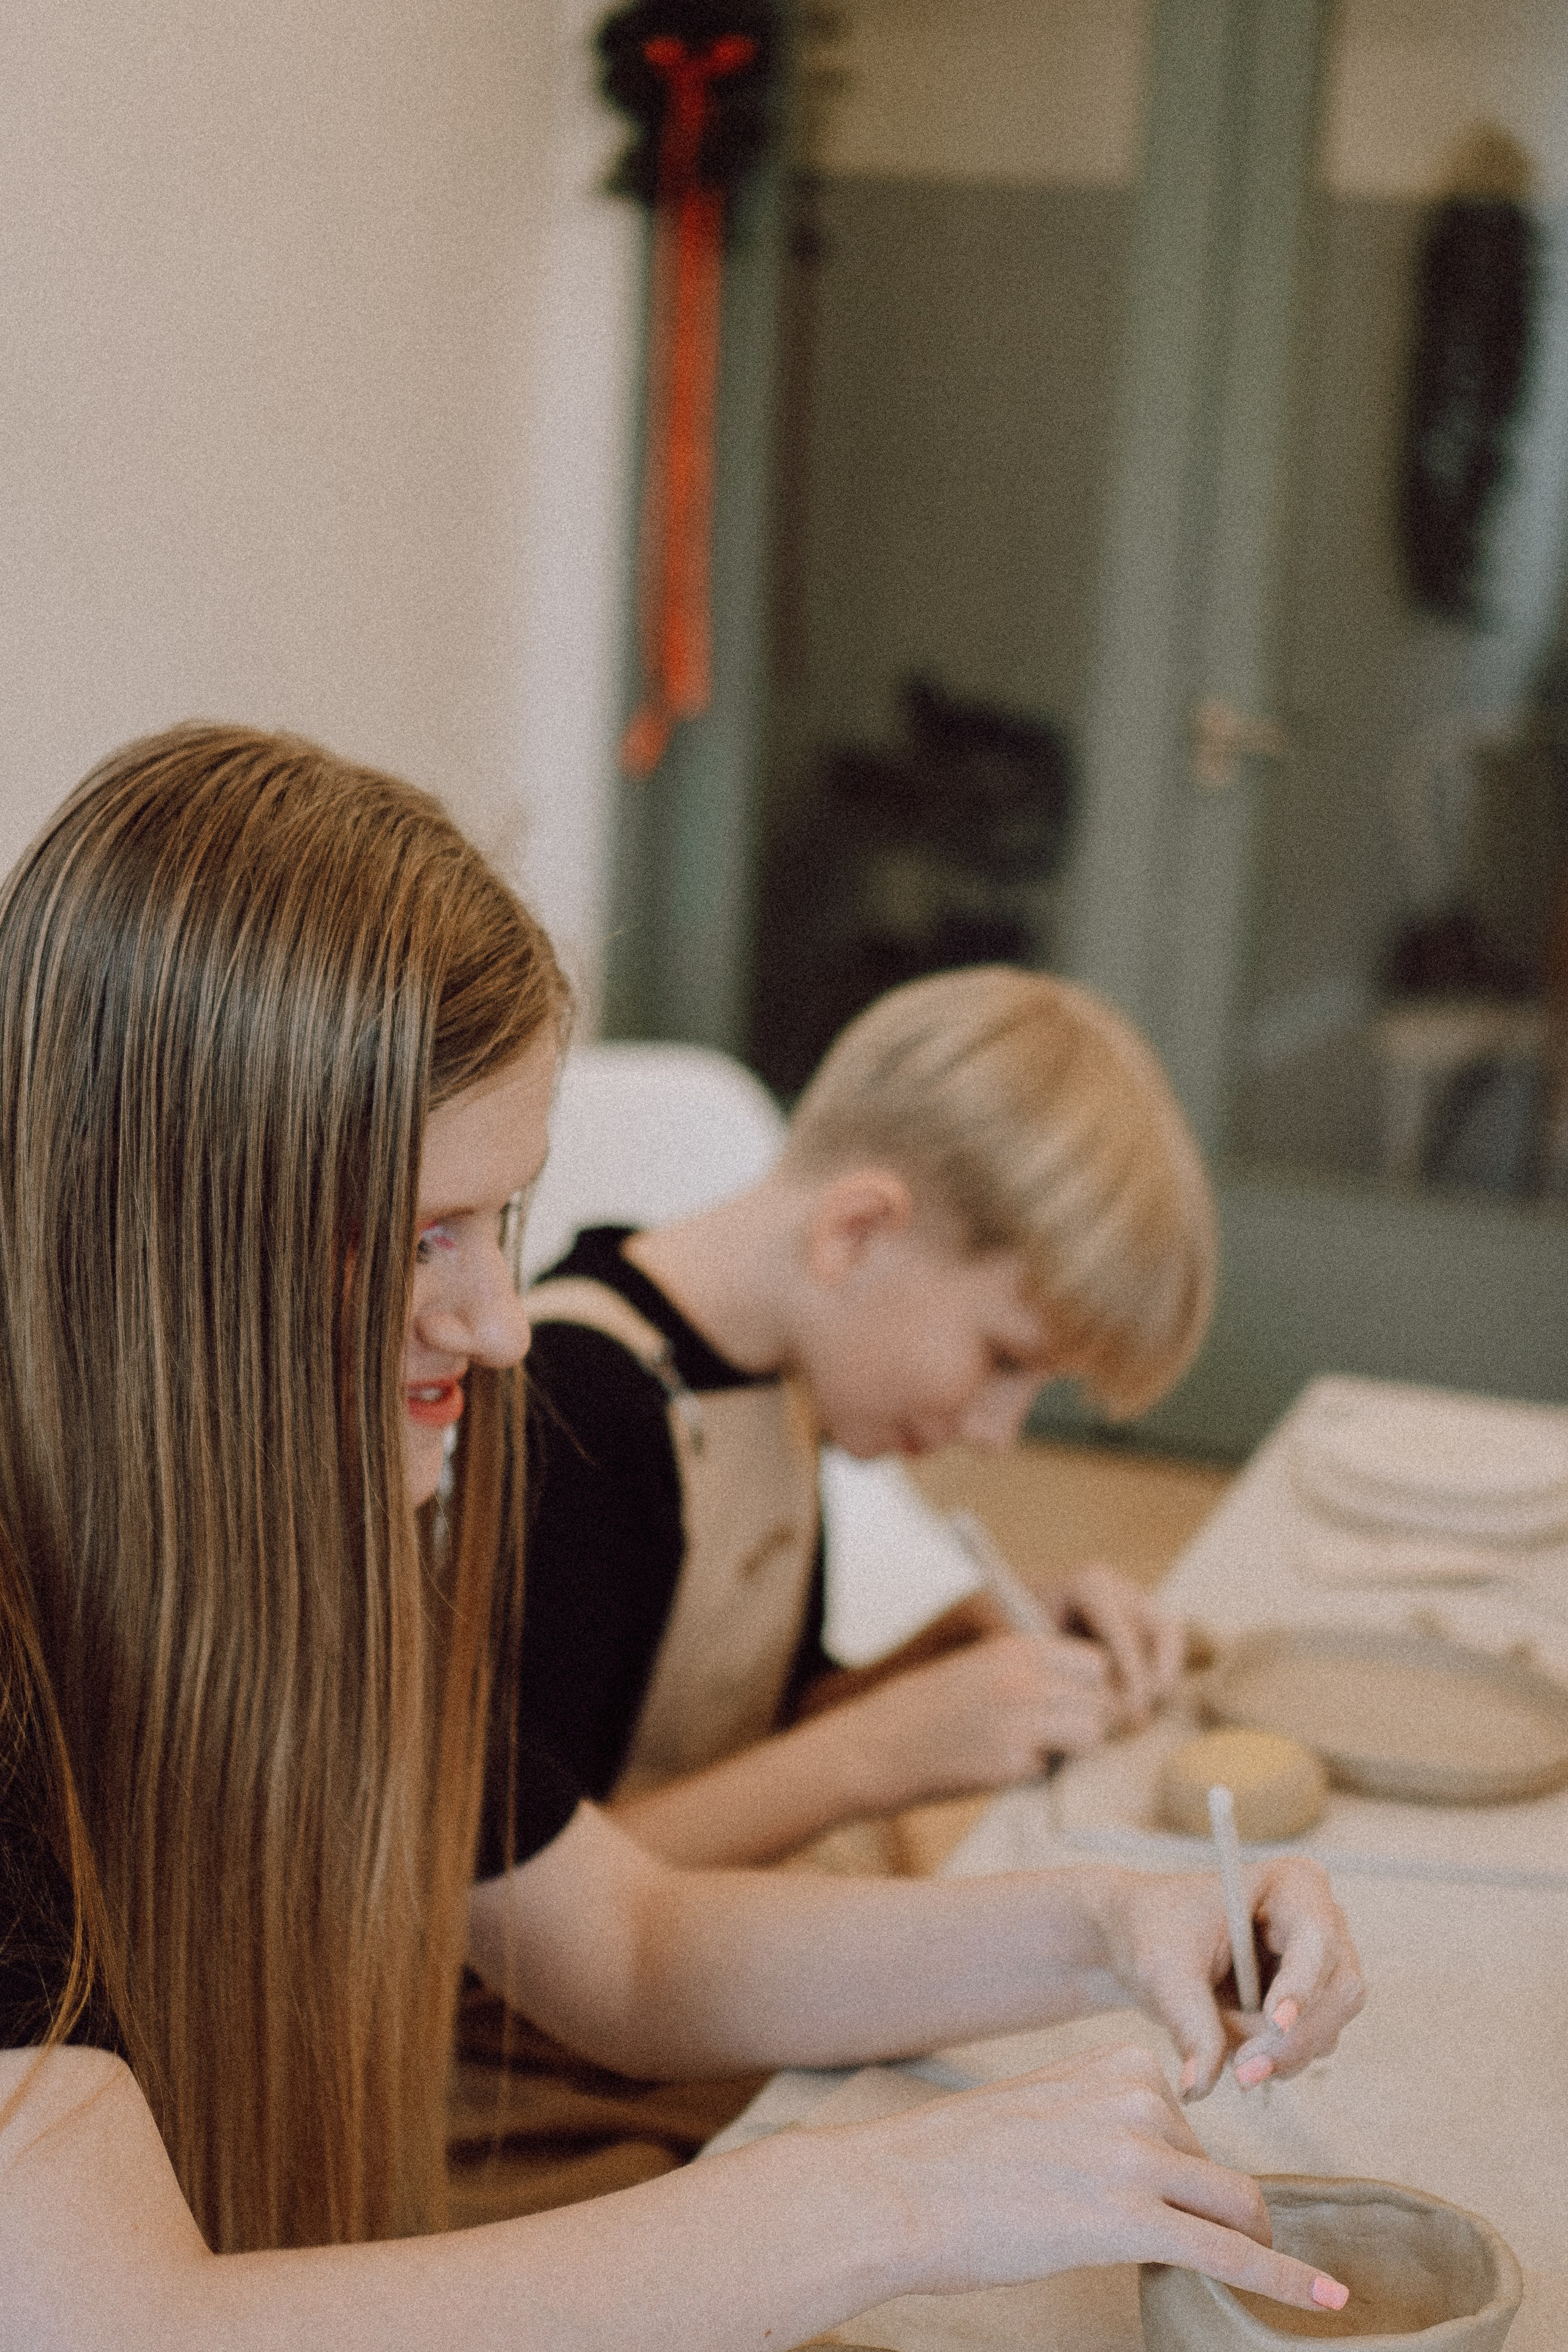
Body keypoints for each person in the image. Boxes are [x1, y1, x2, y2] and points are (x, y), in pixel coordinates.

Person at [0, 723, 1363, 2345]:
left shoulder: (335, 1547)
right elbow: (128, 2326)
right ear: (158, 1220)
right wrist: (891, 2201)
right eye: (429, 1234)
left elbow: (630, 1945)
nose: (500, 1324)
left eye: (499, 1225)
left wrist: (1107, 1928)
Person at [516, 967, 1208, 1871]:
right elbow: (511, 1898)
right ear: (858, 1232)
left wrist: (961, 1638)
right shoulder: (576, 1406)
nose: (999, 1436)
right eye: (1004, 1360)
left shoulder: (785, 1379)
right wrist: (880, 1753)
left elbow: (764, 1731)